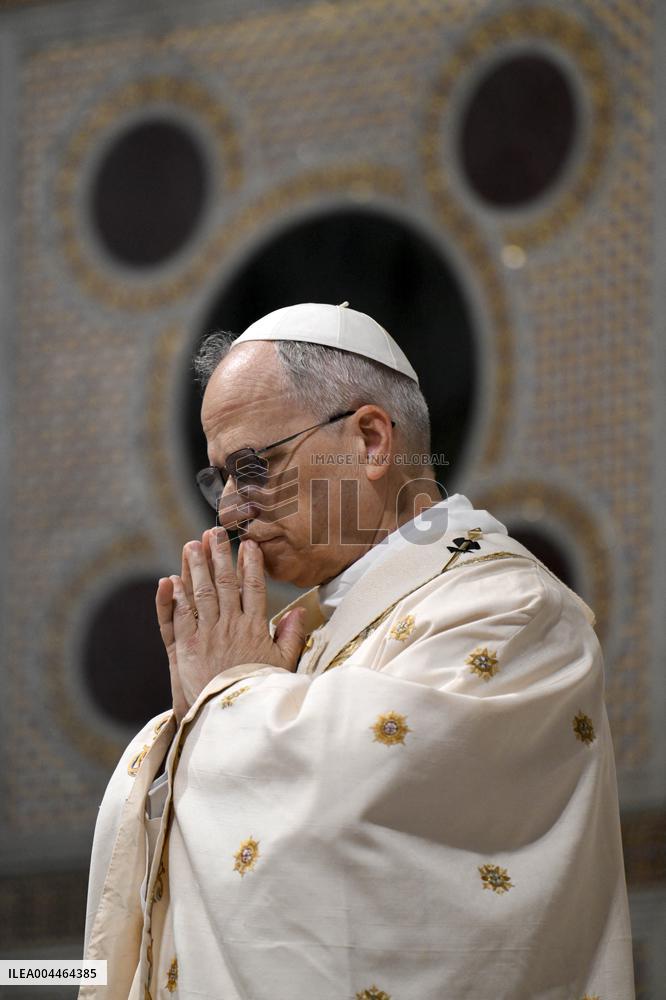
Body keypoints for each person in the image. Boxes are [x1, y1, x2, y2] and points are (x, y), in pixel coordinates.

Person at [79, 302, 634, 1000]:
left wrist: (230, 704)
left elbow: (374, 858)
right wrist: (200, 722)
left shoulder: (512, 612)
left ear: (371, 440)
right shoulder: (302, 641)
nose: (228, 510)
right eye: (218, 478)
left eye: (251, 466)